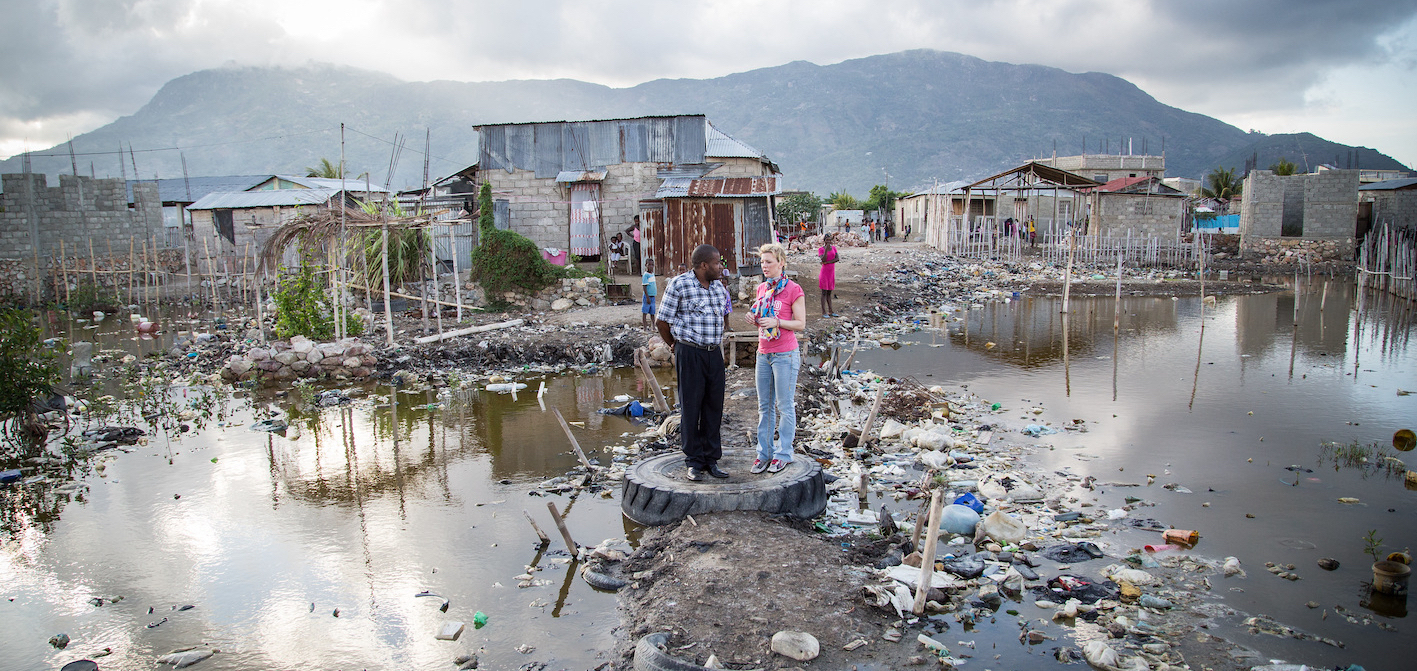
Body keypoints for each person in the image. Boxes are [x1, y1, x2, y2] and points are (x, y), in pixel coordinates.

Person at [656, 245, 731, 481]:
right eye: (718, 263)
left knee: (714, 406)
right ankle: (694, 461)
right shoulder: (679, 284)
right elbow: (662, 322)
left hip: (713, 353)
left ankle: (711, 459)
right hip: (689, 352)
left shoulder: (719, 288)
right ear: (703, 265)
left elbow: (722, 317)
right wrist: (674, 346)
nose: (721, 267)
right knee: (691, 406)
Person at [747, 243, 806, 474]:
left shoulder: (793, 289)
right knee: (764, 407)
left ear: (781, 263)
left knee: (784, 405)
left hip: (785, 354)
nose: (765, 266)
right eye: (762, 262)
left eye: (769, 262)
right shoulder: (762, 289)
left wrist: (778, 322)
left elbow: (800, 324)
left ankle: (783, 454)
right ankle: (764, 454)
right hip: (764, 353)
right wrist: (752, 317)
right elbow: (759, 313)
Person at [817, 233, 839, 317]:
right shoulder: (821, 249)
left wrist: (827, 262)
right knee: (824, 292)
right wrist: (826, 250)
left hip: (831, 273)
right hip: (824, 273)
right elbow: (823, 258)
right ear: (824, 241)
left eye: (830, 240)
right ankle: (824, 312)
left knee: (829, 292)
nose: (829, 241)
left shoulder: (834, 248)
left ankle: (831, 310)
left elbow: (837, 258)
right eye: (827, 240)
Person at [640, 258, 657, 330]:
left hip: (653, 297)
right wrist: (647, 297)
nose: (651, 266)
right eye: (649, 265)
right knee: (645, 312)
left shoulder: (652, 274)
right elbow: (644, 287)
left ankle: (653, 326)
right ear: (645, 265)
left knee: (652, 313)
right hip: (647, 297)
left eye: (652, 265)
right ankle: (645, 328)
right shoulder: (645, 275)